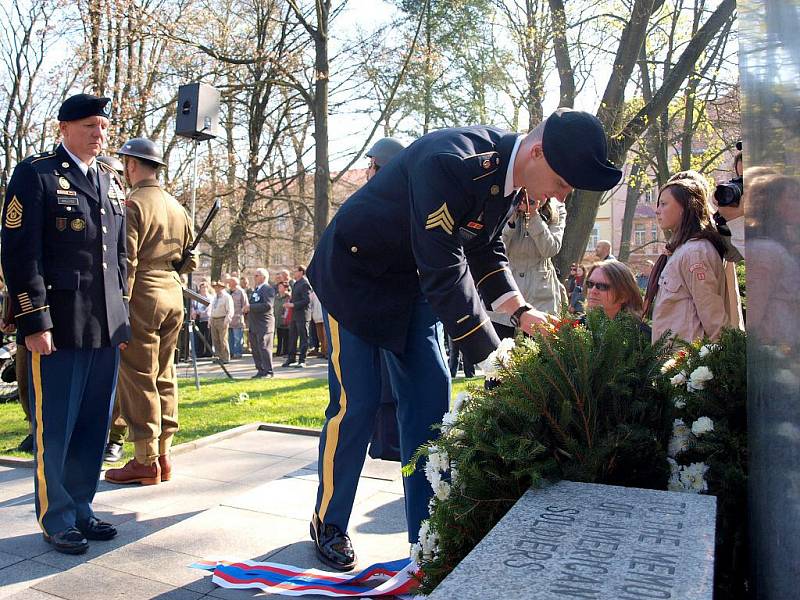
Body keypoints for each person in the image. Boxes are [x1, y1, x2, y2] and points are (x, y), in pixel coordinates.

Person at [306, 109, 622, 570]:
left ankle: (428, 536)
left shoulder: (508, 181)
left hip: (411, 286)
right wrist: (492, 357)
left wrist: (521, 311)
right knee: (358, 404)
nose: (565, 193)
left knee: (430, 406)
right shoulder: (450, 161)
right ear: (537, 153)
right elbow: (444, 266)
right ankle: (329, 522)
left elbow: (483, 246)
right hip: (355, 279)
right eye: (564, 180)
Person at [0, 93, 130, 554]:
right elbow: (19, 254)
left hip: (104, 327)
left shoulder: (110, 179)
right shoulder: (35, 175)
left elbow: (119, 257)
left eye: (103, 127)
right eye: (91, 126)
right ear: (65, 128)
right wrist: (34, 321)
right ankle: (56, 517)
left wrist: (121, 318)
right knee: (55, 426)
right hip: (57, 325)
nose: (100, 134)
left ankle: (81, 507)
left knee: (94, 426)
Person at [104, 138, 196, 485]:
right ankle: (164, 455)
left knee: (138, 376)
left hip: (142, 294)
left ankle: (145, 460)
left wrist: (119, 312)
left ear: (131, 165)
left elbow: (125, 263)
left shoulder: (132, 204)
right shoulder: (176, 206)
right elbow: (190, 260)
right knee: (165, 373)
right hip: (173, 293)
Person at [644, 177, 737, 343]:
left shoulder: (695, 252)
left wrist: (726, 357)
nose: (657, 211)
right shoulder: (681, 251)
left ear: (685, 207)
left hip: (688, 361)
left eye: (664, 204)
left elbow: (712, 315)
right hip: (672, 360)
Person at [489, 194, 567, 338]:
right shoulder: (504, 201)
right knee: (498, 353)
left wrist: (533, 216)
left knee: (540, 354)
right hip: (505, 290)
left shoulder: (557, 208)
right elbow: (492, 248)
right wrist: (510, 218)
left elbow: (550, 249)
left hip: (541, 295)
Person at [96, 155, 129, 464]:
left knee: (120, 380)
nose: (116, 179)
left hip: (122, 304)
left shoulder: (127, 205)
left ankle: (116, 437)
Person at [583, 260, 650, 334]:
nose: (593, 291)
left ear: (623, 295)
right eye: (590, 284)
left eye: (602, 286)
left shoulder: (641, 336)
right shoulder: (576, 327)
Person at [244, 268, 275, 377]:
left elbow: (267, 305)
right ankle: (260, 370)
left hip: (264, 324)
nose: (254, 277)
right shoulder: (256, 290)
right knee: (256, 349)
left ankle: (268, 371)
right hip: (254, 324)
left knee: (264, 348)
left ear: (263, 277)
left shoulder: (268, 289)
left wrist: (250, 307)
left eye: (256, 275)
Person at [282, 265, 312, 368]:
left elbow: (306, 300)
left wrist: (293, 305)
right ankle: (291, 358)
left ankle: (302, 360)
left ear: (301, 272)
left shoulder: (305, 283)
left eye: (295, 271)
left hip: (303, 315)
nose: (294, 273)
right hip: (294, 315)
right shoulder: (296, 284)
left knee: (303, 338)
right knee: (292, 337)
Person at [208, 281, 233, 362]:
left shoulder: (227, 297)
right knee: (215, 340)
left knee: (223, 339)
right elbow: (212, 309)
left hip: (222, 319)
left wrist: (227, 320)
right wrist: (210, 319)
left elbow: (230, 310)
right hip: (214, 319)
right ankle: (218, 357)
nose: (216, 289)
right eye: (215, 287)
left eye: (218, 287)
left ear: (222, 288)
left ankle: (225, 357)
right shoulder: (215, 297)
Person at [227, 276, 249, 359]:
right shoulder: (227, 292)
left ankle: (238, 353)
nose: (229, 283)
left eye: (230, 282)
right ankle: (231, 353)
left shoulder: (241, 292)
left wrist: (241, 314)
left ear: (235, 283)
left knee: (237, 338)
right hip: (229, 319)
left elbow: (245, 305)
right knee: (230, 338)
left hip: (237, 318)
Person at [191, 281, 214, 357]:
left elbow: (208, 308)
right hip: (198, 320)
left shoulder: (210, 297)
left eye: (205, 287)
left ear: (208, 288)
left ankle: (209, 353)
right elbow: (193, 306)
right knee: (199, 337)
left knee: (208, 337)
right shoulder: (197, 297)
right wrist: (194, 312)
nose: (203, 289)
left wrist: (199, 312)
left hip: (207, 319)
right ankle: (200, 353)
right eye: (202, 287)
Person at [273, 281, 291, 356]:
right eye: (279, 287)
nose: (279, 288)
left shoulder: (288, 297)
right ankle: (279, 351)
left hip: (285, 320)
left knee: (286, 337)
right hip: (277, 319)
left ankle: (286, 351)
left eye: (281, 287)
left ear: (286, 288)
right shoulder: (276, 297)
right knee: (279, 337)